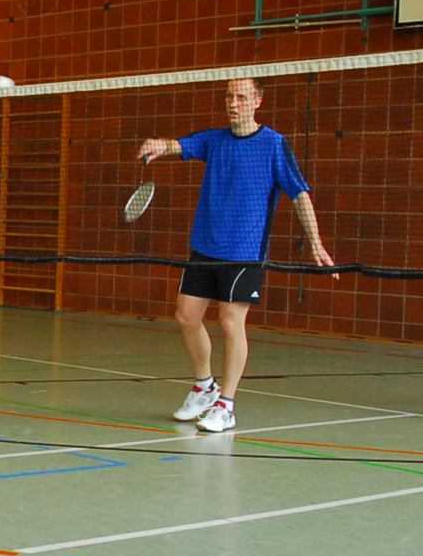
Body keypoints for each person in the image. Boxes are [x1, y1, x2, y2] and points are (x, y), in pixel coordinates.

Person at [139, 77, 334, 433]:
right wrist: (159, 145)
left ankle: (226, 405)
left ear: (258, 101)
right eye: (229, 96)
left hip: (244, 252)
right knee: (186, 316)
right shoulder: (214, 140)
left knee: (231, 322)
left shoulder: (274, 145)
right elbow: (179, 145)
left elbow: (299, 193)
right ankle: (204, 386)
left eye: (242, 97)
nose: (233, 103)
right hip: (205, 246)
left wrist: (316, 242)